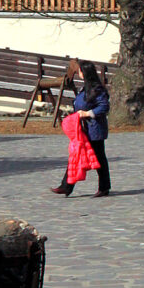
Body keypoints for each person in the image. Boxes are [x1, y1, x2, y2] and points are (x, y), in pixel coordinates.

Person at [52, 60, 112, 197]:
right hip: (83, 128)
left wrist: (87, 113)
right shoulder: (84, 88)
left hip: (94, 129)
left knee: (99, 158)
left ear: (84, 73)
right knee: (76, 154)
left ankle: (104, 187)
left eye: (79, 70)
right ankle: (66, 186)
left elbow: (104, 107)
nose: (78, 72)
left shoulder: (97, 89)